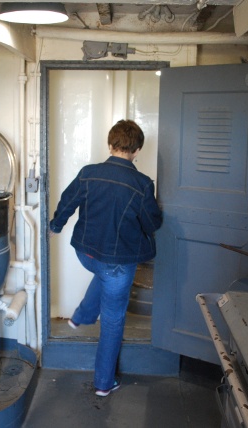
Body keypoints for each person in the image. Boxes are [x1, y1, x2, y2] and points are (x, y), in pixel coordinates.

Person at [49, 119, 163, 397]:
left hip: (85, 253)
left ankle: (81, 316)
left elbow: (67, 201)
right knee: (112, 320)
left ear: (110, 145)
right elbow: (153, 223)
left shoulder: (88, 173)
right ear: (137, 150)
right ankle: (103, 382)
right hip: (116, 263)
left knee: (104, 273)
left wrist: (55, 226)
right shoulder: (142, 184)